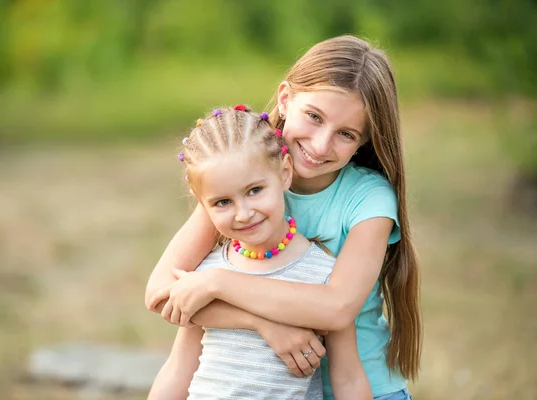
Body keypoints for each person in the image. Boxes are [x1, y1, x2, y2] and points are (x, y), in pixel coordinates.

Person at [147, 35, 422, 400]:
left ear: (365, 141)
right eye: (314, 117)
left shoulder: (368, 198)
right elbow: (161, 294)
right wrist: (264, 324)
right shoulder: (245, 179)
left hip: (363, 386)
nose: (321, 145)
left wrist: (216, 284)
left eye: (346, 133)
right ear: (285, 99)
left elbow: (336, 308)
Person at [148, 106, 371, 400]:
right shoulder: (202, 276)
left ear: (285, 173)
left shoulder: (322, 277)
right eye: (222, 202)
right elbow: (178, 370)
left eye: (254, 190)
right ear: (203, 204)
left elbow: (348, 380)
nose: (243, 213)